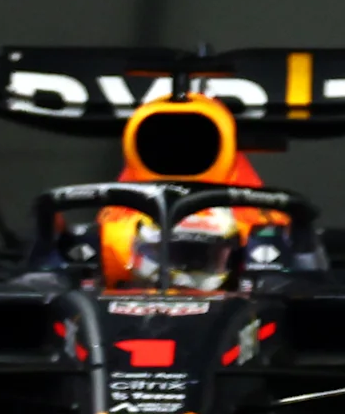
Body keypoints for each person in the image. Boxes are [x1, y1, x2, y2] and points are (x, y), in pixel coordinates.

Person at [97, 95, 290, 291]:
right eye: (182, 256)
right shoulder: (115, 230)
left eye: (203, 258)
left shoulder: (259, 220)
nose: (179, 145)